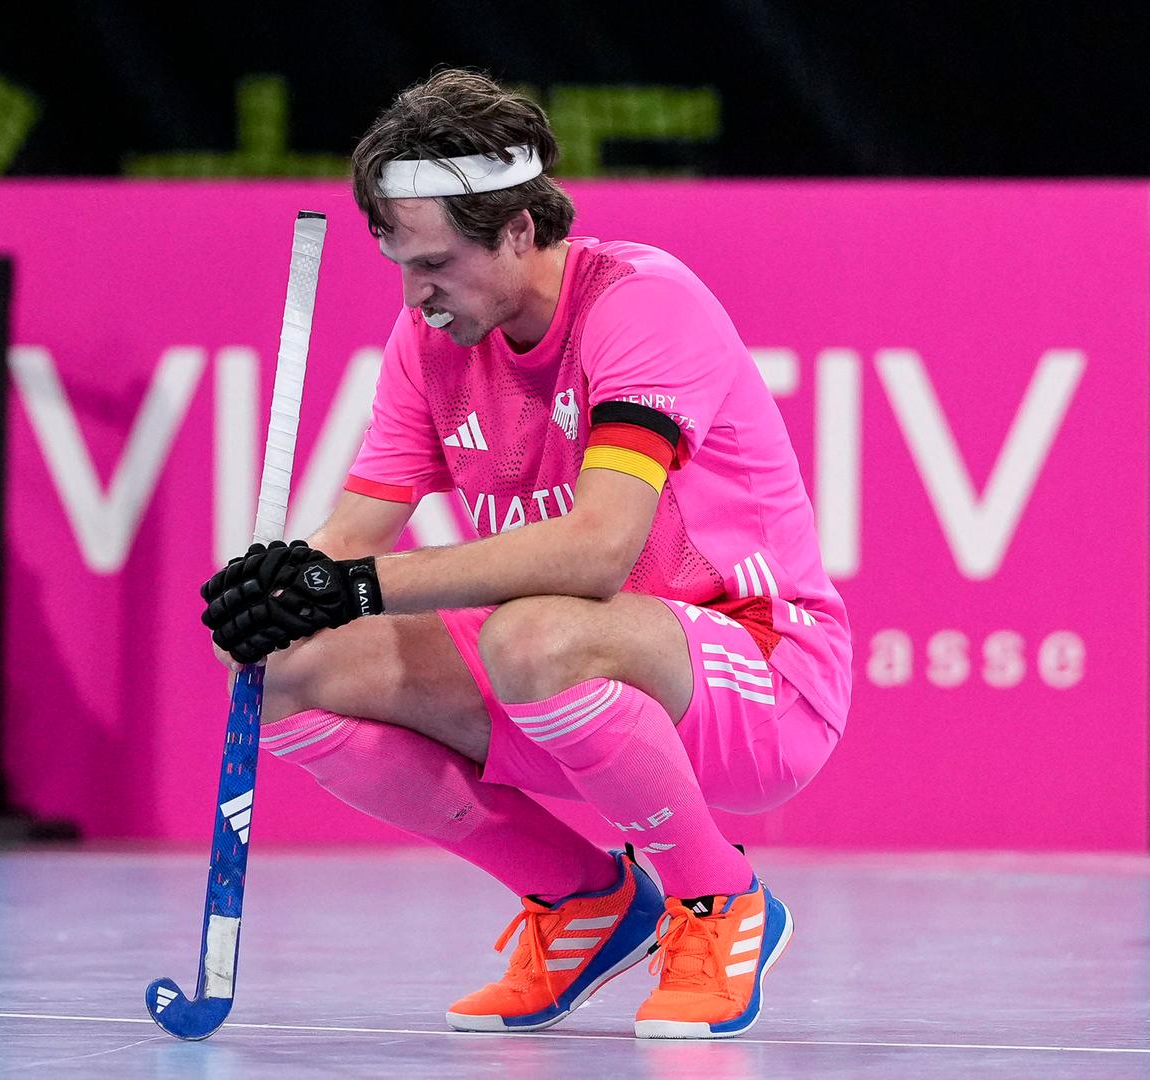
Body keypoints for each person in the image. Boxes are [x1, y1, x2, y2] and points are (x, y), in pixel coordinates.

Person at [199, 70, 850, 1039]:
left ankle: (718, 901)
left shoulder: (640, 302)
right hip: (570, 674)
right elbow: (354, 534)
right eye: (398, 264)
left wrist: (351, 584)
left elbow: (595, 551)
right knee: (290, 666)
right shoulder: (431, 341)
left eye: (437, 263)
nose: (418, 294)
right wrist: (281, 588)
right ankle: (583, 900)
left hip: (758, 677)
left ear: (515, 229)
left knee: (536, 632)